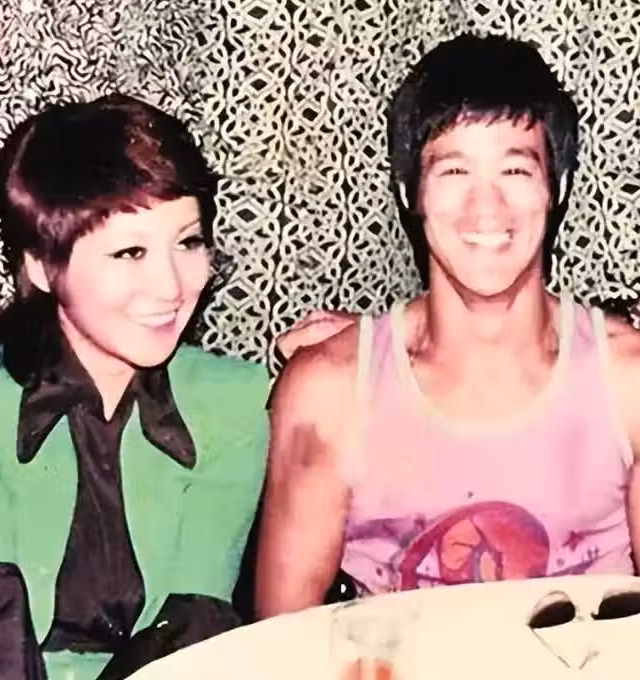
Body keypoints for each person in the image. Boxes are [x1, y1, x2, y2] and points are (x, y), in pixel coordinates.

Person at [255, 34, 640, 619]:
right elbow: (282, 641)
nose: (486, 207)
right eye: (454, 170)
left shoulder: (627, 382)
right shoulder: (330, 390)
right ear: (409, 192)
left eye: (515, 169)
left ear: (556, 188)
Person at [0, 94, 269, 679]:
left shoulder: (229, 405)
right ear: (42, 266)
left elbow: (193, 634)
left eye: (188, 242)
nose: (171, 286)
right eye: (130, 251)